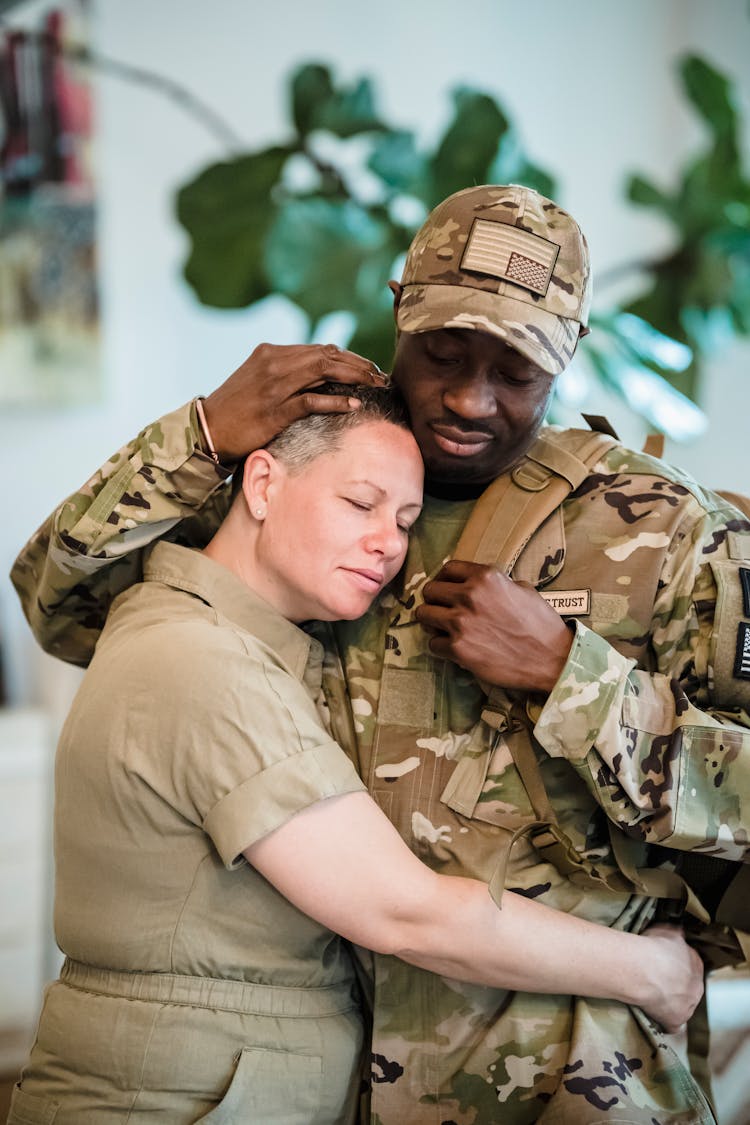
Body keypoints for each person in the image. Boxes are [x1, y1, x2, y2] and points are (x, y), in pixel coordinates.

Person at [11, 184, 750, 1124]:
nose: (469, 398)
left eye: (516, 371)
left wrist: (574, 675)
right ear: (401, 307)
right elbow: (64, 606)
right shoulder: (311, 473)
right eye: (443, 353)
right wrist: (197, 435)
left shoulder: (663, 530)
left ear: (567, 358)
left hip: (570, 1081)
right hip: (330, 1076)